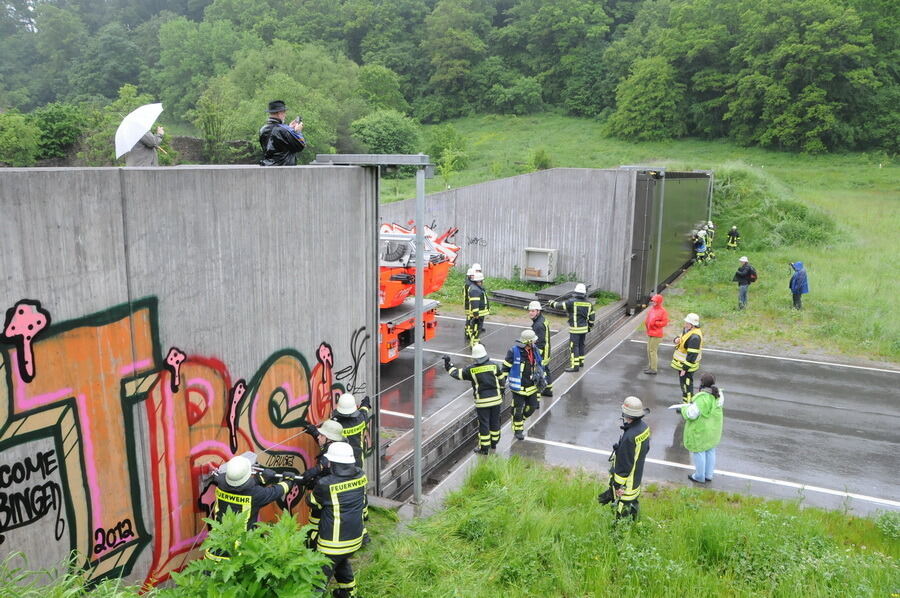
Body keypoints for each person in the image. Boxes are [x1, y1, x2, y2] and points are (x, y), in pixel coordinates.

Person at [204, 454, 292, 560]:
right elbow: (276, 491)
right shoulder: (255, 495)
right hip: (238, 556)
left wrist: (261, 480)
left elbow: (241, 488)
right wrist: (289, 480)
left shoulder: (221, 483)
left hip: (213, 550)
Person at [308, 442, 367, 598]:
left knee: (318, 579)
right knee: (341, 562)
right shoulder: (361, 475)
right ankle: (349, 593)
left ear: (333, 463)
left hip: (332, 544)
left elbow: (313, 502)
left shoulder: (325, 484)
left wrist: (313, 487)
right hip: (354, 539)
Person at [443, 343, 503, 453]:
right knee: (495, 422)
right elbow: (501, 379)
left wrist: (448, 365)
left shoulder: (471, 370)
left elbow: (457, 374)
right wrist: (501, 392)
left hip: (482, 402)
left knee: (484, 423)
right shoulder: (494, 365)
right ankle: (494, 443)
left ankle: (484, 448)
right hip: (496, 400)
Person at [597, 396, 651, 520]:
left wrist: (617, 486)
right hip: (636, 478)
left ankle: (620, 537)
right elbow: (646, 449)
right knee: (633, 506)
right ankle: (635, 528)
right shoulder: (644, 428)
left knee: (623, 514)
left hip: (627, 485)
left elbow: (624, 466)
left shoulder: (629, 437)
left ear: (627, 415)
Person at [500, 329, 546, 441]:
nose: (535, 343)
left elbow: (540, 366)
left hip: (532, 387)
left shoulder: (536, 351)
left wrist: (542, 379)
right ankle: (518, 430)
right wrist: (501, 386)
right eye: (533, 341)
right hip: (518, 388)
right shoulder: (513, 352)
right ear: (528, 342)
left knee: (532, 407)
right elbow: (505, 369)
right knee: (518, 409)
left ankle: (519, 420)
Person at [682, 373, 724, 484]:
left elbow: (691, 414)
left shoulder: (701, 399)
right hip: (713, 429)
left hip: (701, 430)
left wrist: (683, 409)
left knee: (699, 451)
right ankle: (708, 475)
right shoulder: (719, 395)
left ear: (701, 383)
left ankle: (699, 476)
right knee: (710, 450)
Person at [550, 283, 595, 372]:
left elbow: (559, 306)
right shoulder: (589, 304)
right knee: (581, 345)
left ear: (576, 292)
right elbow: (592, 317)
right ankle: (581, 362)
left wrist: (551, 303)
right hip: (584, 329)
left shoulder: (572, 302)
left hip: (575, 329)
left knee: (574, 346)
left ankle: (575, 366)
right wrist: (589, 326)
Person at [259, 100, 306, 166]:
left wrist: (289, 129)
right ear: (279, 113)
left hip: (267, 167)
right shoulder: (283, 130)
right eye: (284, 112)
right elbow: (300, 145)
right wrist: (298, 132)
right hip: (283, 169)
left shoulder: (262, 129)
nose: (285, 115)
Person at [670, 313, 703, 402]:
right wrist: (676, 339)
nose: (685, 324)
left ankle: (687, 405)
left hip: (687, 367)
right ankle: (686, 402)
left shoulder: (695, 337)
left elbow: (692, 355)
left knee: (687, 386)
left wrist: (685, 369)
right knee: (683, 385)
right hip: (682, 365)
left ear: (692, 325)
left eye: (687, 322)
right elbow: (682, 338)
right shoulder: (687, 330)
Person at [528, 300, 553, 397]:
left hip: (542, 352)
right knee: (546, 369)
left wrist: (536, 354)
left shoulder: (538, 325)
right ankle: (548, 390)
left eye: (533, 311)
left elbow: (540, 341)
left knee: (541, 371)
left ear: (538, 311)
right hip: (546, 349)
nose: (530, 313)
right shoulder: (541, 320)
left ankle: (540, 392)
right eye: (530, 311)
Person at [643, 294, 669, 375]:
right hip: (650, 332)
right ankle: (651, 366)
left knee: (652, 351)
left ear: (659, 301)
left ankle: (653, 369)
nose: (653, 302)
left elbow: (664, 322)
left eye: (655, 301)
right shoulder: (652, 309)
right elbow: (648, 319)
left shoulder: (663, 311)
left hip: (656, 334)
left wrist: (655, 323)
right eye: (653, 300)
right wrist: (647, 325)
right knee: (649, 350)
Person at [465, 271, 489, 346]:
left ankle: (475, 342)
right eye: (482, 280)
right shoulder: (475, 289)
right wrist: (476, 314)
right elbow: (475, 303)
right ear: (479, 281)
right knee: (476, 329)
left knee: (477, 328)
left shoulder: (476, 288)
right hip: (478, 314)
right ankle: (474, 344)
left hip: (480, 313)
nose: (483, 282)